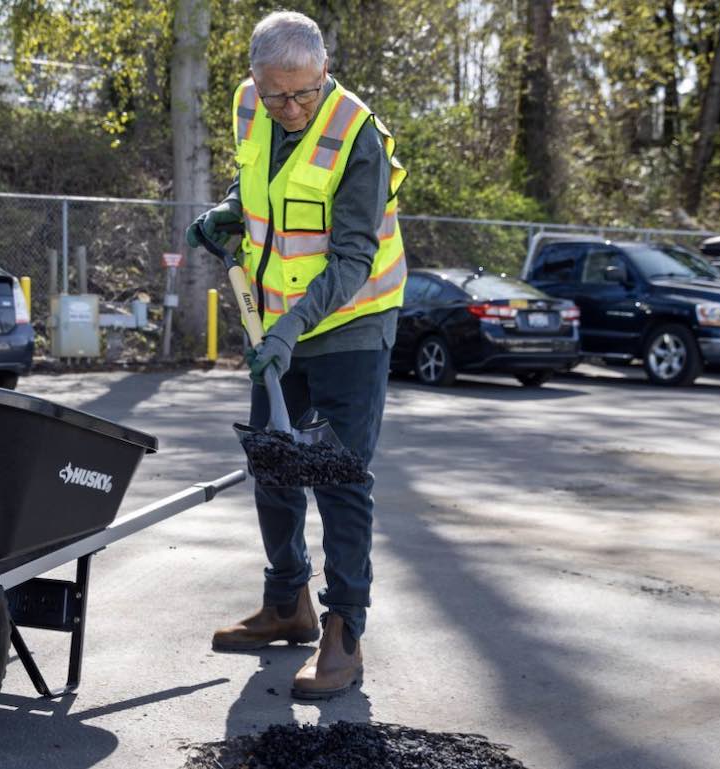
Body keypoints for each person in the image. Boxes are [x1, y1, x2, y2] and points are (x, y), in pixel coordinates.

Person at [185, 10, 408, 700]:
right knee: (275, 465)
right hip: (275, 320)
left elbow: (349, 258)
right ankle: (288, 603)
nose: (289, 108)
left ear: (323, 72)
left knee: (338, 474)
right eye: (276, 93)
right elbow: (259, 183)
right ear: (255, 78)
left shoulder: (356, 134)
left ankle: (345, 630)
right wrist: (229, 209)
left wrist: (289, 332)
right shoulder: (251, 105)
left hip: (350, 323)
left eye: (302, 93)